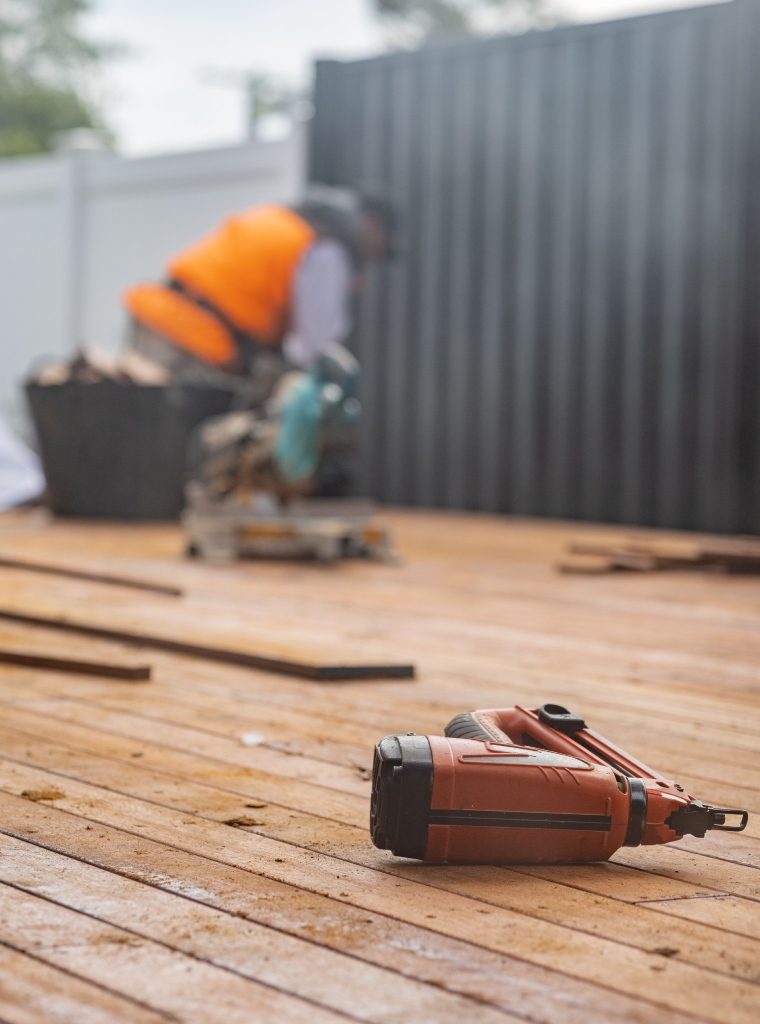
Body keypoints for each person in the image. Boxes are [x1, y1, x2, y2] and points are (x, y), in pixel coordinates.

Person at [123, 185, 397, 402]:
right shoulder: (330, 250)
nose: (375, 258)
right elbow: (316, 345)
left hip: (160, 317)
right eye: (382, 248)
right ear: (372, 225)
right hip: (194, 341)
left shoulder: (291, 219)